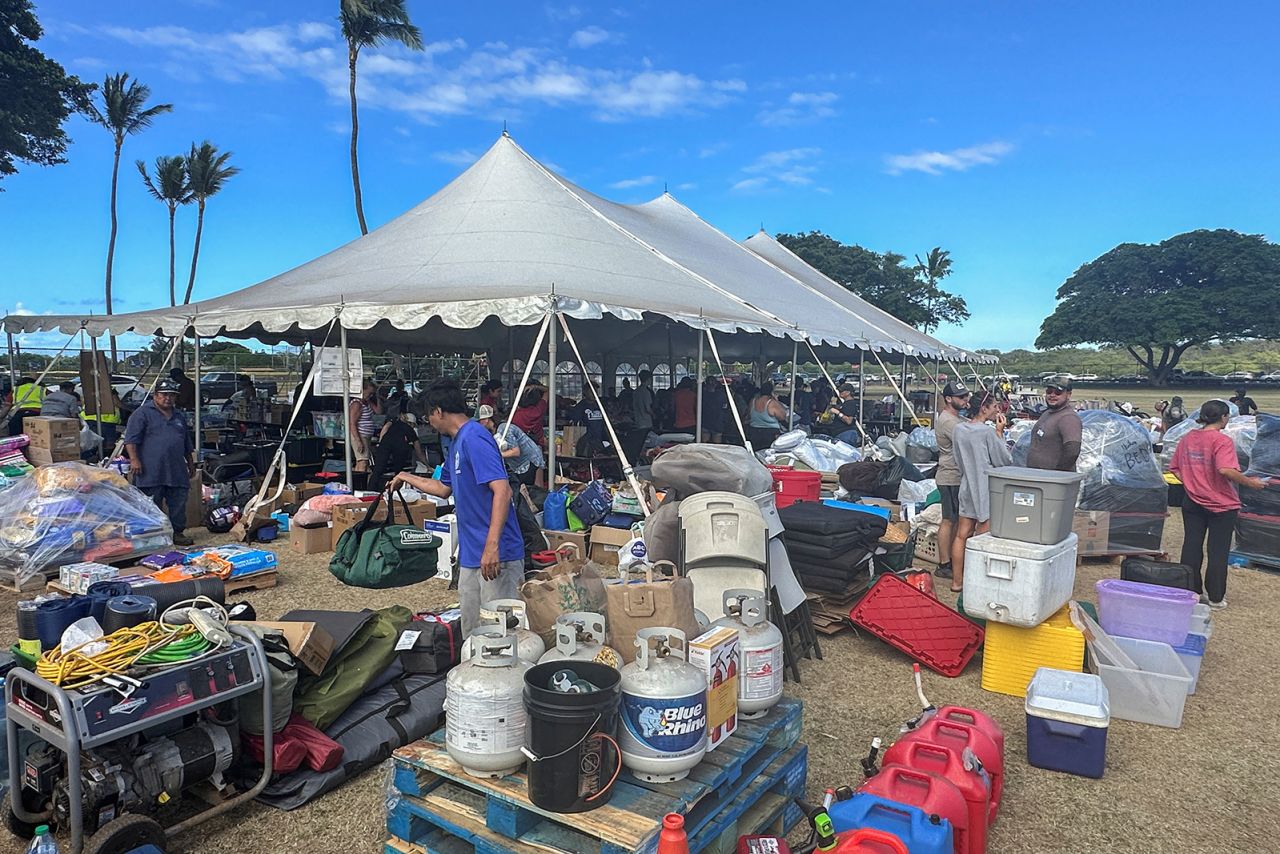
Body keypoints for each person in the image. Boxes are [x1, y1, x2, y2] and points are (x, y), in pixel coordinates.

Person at [389, 380, 524, 637]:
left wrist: (492, 545)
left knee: (501, 634)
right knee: (473, 632)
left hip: (497, 553)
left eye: (428, 415)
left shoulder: (475, 438)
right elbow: (443, 488)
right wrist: (407, 477)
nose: (428, 422)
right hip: (472, 554)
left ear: (439, 411)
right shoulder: (457, 442)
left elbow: (502, 490)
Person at [1170, 400, 1267, 609]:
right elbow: (1225, 469)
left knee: (1191, 546)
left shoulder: (1188, 438)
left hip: (1192, 501)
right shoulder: (1222, 441)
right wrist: (1251, 482)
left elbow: (1175, 468)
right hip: (1221, 505)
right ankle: (1215, 597)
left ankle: (1189, 592)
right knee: (1218, 550)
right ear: (1224, 417)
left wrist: (1192, 482)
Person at [950, 391, 1012, 593]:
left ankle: (957, 581)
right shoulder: (986, 433)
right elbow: (1003, 460)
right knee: (980, 538)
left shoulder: (959, 429)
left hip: (967, 484)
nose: (997, 411)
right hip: (985, 487)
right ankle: (976, 584)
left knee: (961, 535)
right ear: (984, 408)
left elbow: (958, 459)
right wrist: (999, 433)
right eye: (995, 407)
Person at [123, 379, 196, 546]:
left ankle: (177, 533)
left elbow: (186, 443)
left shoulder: (179, 416)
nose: (168, 399)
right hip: (150, 469)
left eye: (172, 395)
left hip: (176, 469)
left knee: (178, 503)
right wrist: (134, 460)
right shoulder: (142, 413)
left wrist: (191, 464)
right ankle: (154, 536)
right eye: (164, 395)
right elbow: (131, 440)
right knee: (151, 505)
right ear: (155, 395)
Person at [931, 382, 971, 583]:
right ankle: (945, 563)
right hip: (950, 475)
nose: (965, 400)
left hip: (954, 475)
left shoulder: (956, 418)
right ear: (948, 399)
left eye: (966, 396)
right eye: (961, 397)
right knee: (949, 519)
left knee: (954, 519)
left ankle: (951, 560)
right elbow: (967, 438)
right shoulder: (948, 422)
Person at [1026, 375, 1082, 472]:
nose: (1052, 395)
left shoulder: (1068, 418)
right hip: (1037, 477)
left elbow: (1073, 450)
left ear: (1068, 394)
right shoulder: (1047, 413)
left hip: (1052, 482)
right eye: (1049, 391)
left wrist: (1057, 474)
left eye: (1058, 392)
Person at [479, 405, 545, 485]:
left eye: (480, 421)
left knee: (526, 490)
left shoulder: (503, 429)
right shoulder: (494, 433)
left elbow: (515, 451)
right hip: (519, 465)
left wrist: (496, 455)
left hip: (528, 462)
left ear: (486, 420)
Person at [370, 410, 427, 492]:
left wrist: (381, 442)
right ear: (412, 424)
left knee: (378, 470)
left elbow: (385, 427)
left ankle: (371, 491)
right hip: (400, 447)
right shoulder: (410, 430)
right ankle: (395, 490)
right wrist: (427, 466)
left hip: (385, 442)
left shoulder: (394, 423)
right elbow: (419, 452)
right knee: (399, 472)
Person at [348, 378, 381, 474]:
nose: (370, 396)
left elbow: (379, 411)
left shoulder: (367, 402)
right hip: (360, 434)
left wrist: (377, 398)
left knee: (363, 461)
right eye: (369, 393)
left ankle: (359, 480)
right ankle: (360, 482)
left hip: (366, 435)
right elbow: (352, 423)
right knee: (363, 461)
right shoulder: (357, 404)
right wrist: (358, 441)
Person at [625, 369, 655, 462]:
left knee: (639, 444)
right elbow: (647, 408)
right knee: (647, 445)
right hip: (646, 422)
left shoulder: (636, 391)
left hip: (638, 421)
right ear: (648, 379)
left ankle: (637, 460)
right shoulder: (646, 392)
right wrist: (654, 415)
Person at [748, 381, 788, 449]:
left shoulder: (753, 401)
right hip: (770, 434)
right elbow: (782, 417)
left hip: (754, 432)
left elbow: (749, 415)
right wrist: (776, 400)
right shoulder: (772, 403)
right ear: (771, 391)